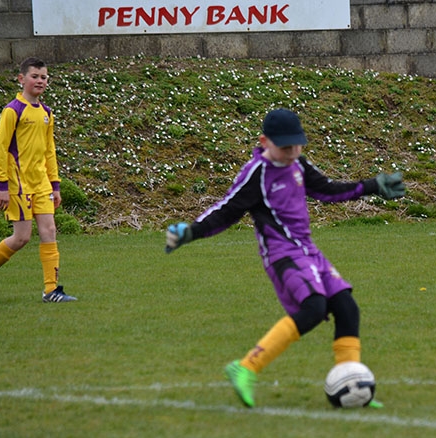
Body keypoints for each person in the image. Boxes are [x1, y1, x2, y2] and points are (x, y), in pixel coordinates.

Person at [165, 108, 405, 408]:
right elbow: (226, 210)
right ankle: (246, 367)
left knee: (347, 307)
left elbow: (328, 191)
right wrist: (191, 232)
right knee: (314, 307)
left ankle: (353, 384)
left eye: (297, 146)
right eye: (285, 147)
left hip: (309, 251)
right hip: (281, 255)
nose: (292, 152)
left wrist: (373, 186)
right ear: (264, 142)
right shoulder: (257, 173)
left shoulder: (298, 164)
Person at [0, 57, 77, 302]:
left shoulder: (46, 113)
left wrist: (55, 184)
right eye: (35, 76)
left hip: (41, 184)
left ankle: (51, 290)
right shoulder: (13, 110)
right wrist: (2, 185)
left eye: (43, 77)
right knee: (21, 238)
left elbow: (49, 150)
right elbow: (0, 148)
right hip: (18, 183)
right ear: (21, 79)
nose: (40, 81)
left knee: (49, 230)